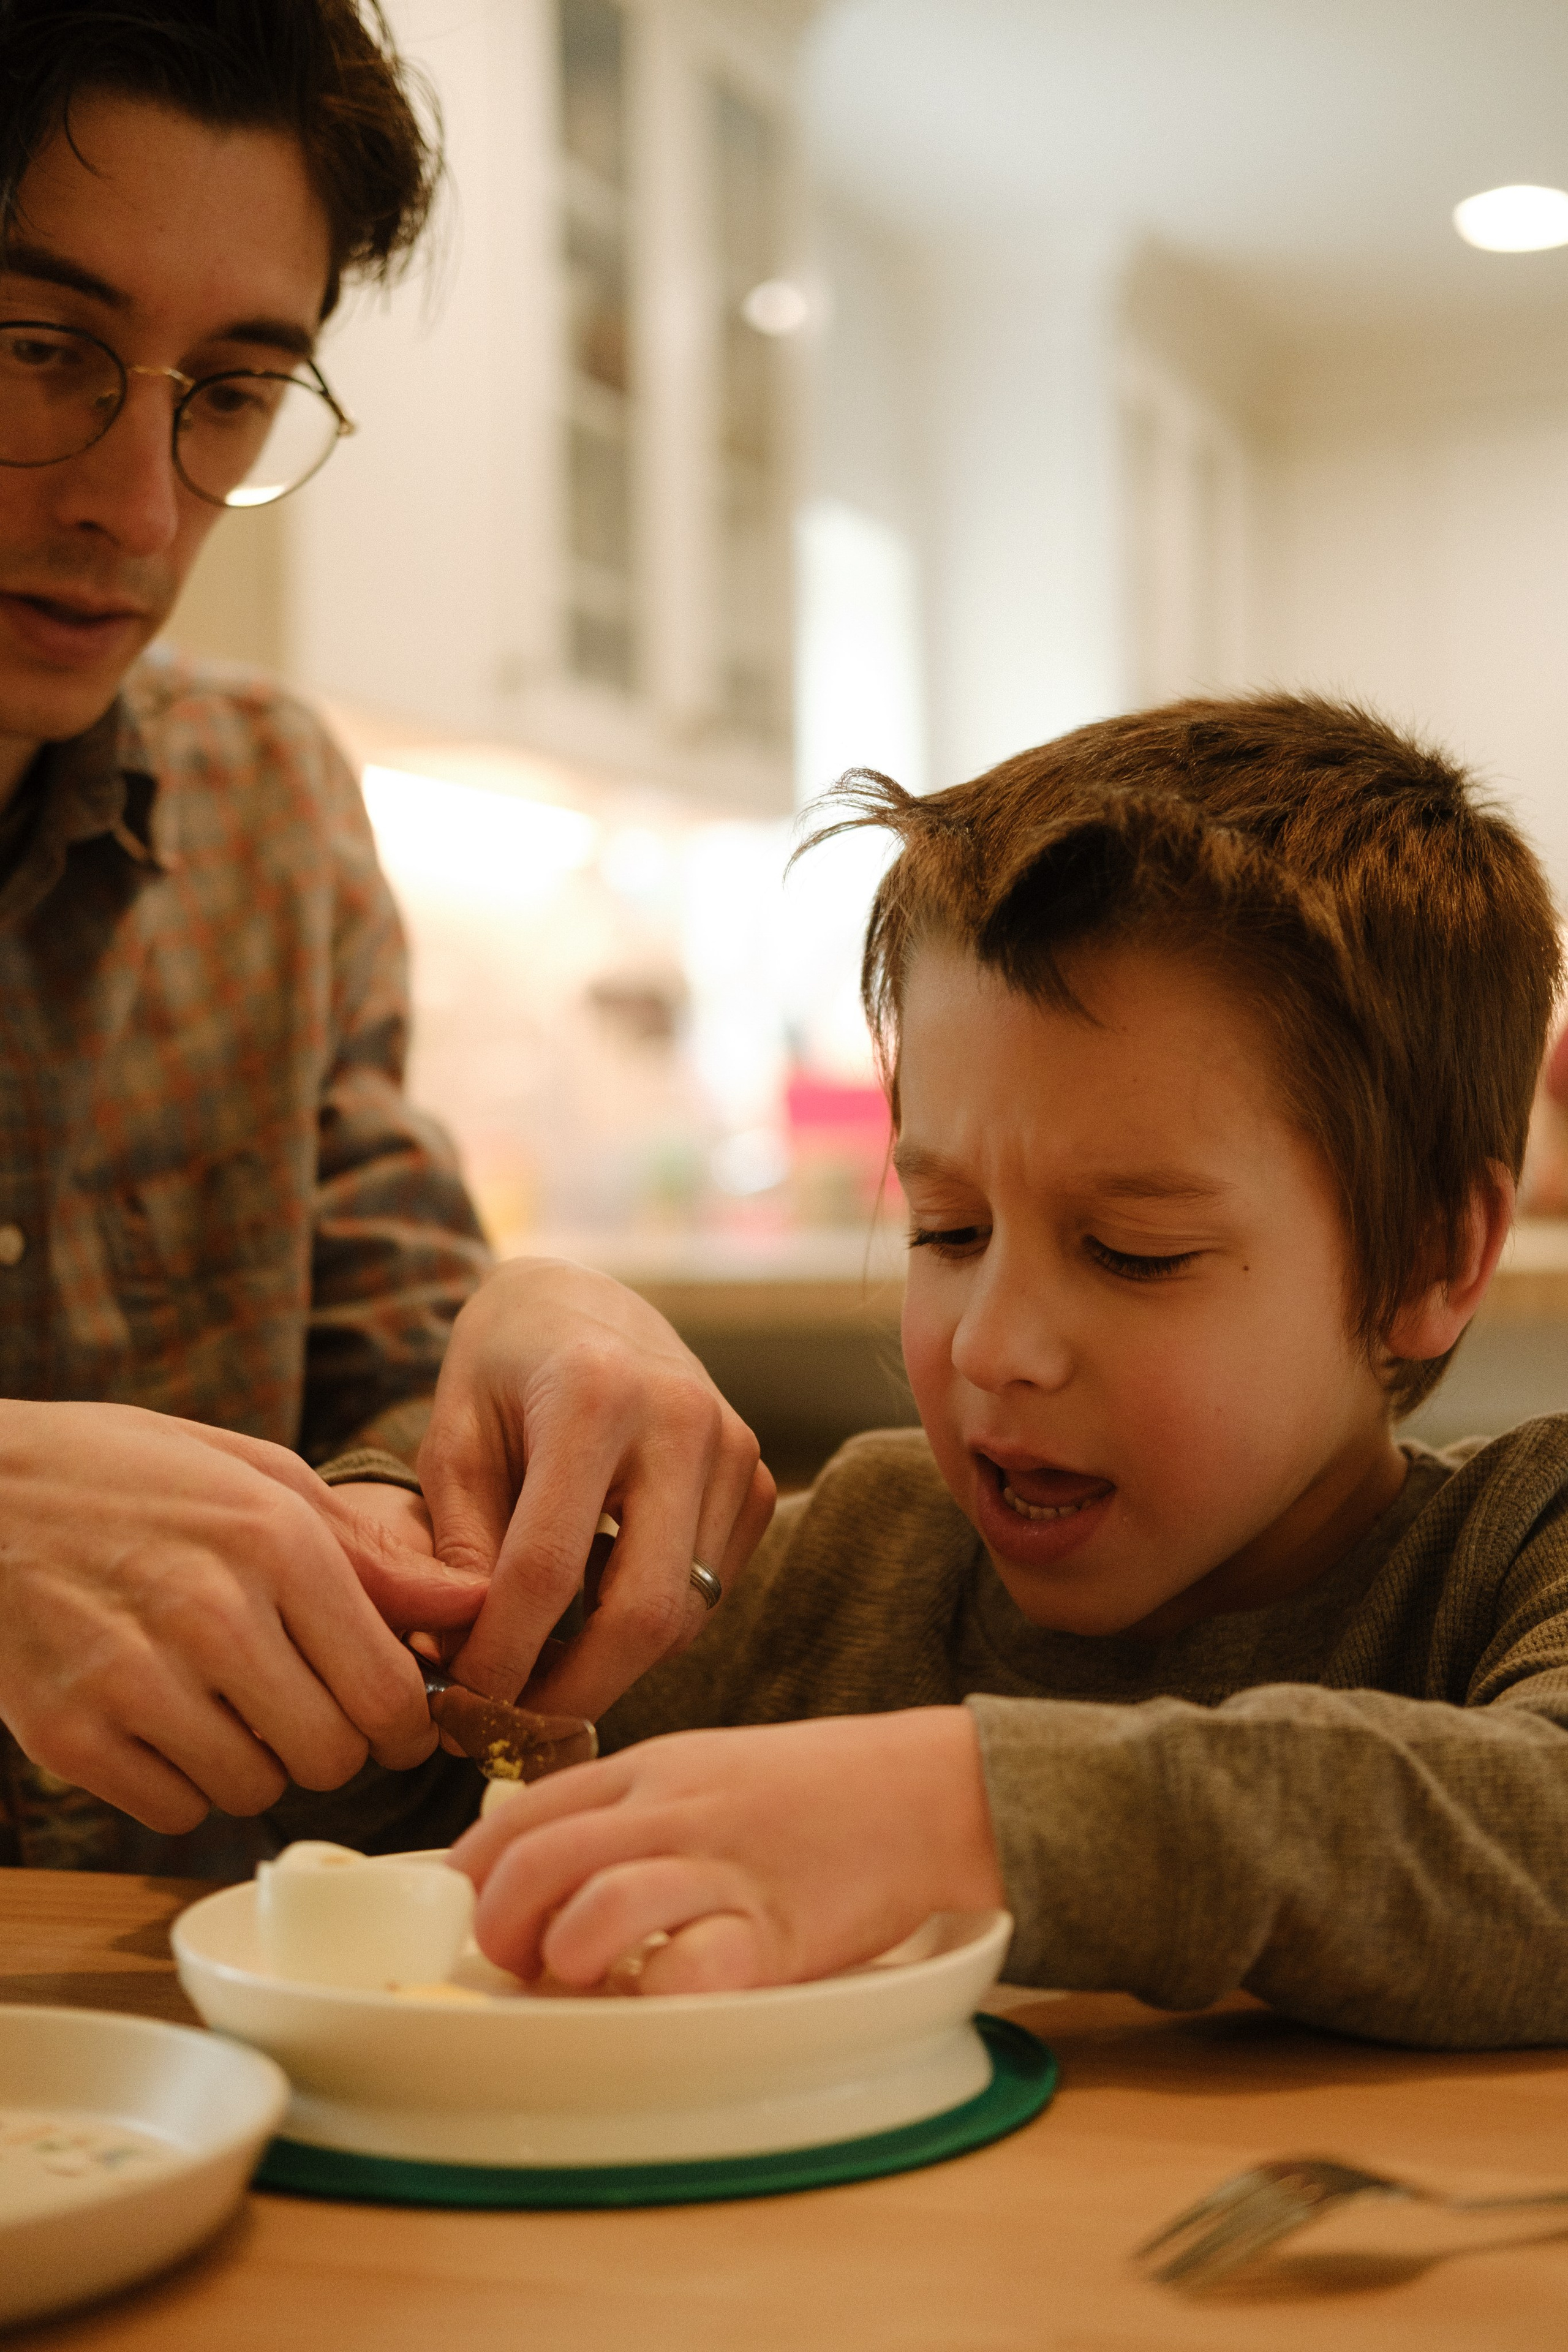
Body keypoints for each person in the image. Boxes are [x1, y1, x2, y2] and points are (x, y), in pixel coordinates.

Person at [453, 693, 1568, 2050]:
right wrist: (406, 1548)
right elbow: (395, 1801)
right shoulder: (853, 1567)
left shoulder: (1516, 1550)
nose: (989, 1347)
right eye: (948, 1230)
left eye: (1131, 1252)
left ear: (1429, 1261)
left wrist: (953, 1814)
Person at [0, 0, 771, 1875]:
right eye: (39, 352)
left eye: (233, 391)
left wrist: (522, 1354)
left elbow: (389, 1375)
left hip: (190, 2001)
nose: (138, 504)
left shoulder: (268, 810)